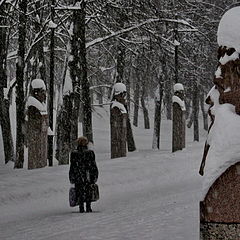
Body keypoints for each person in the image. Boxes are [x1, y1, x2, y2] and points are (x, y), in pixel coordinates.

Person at [69, 136, 98, 213]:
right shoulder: (90, 153)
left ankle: (81, 207)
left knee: (79, 191)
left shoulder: (74, 153)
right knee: (88, 191)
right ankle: (88, 207)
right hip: (87, 175)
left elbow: (72, 166)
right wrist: (94, 176)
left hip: (78, 175)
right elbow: (93, 165)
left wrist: (72, 176)